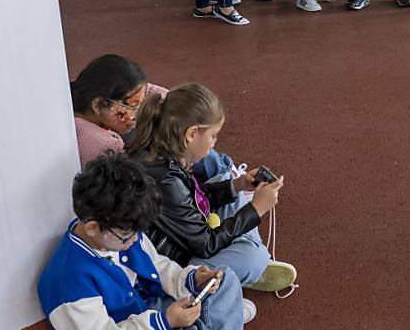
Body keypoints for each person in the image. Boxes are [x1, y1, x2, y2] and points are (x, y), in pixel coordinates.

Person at [37, 152, 253, 328]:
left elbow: (157, 264)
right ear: (93, 227)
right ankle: (218, 316)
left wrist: (189, 279)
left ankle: (216, 316)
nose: (134, 241)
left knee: (225, 278)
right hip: (137, 322)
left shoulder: (119, 229)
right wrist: (164, 322)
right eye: (128, 237)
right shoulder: (69, 282)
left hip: (150, 310)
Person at [125, 83, 298, 295]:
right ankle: (235, 278)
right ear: (191, 133)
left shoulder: (158, 154)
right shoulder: (165, 180)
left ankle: (240, 266)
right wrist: (256, 210)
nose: (214, 143)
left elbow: (191, 200)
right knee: (255, 257)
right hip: (177, 266)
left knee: (230, 183)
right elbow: (206, 244)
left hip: (183, 240)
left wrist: (237, 185)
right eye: (214, 135)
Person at [70, 54, 164, 168]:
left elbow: (142, 90)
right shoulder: (106, 147)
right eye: (132, 107)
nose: (137, 113)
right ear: (98, 105)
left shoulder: (80, 97)